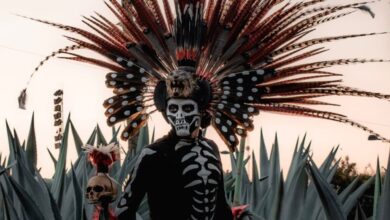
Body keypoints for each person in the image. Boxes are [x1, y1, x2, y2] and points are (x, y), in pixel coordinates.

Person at [116, 68, 234, 220]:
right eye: (173, 108)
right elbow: (124, 209)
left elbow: (221, 207)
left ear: (201, 110)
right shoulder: (152, 154)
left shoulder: (211, 148)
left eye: (187, 108)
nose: (180, 116)